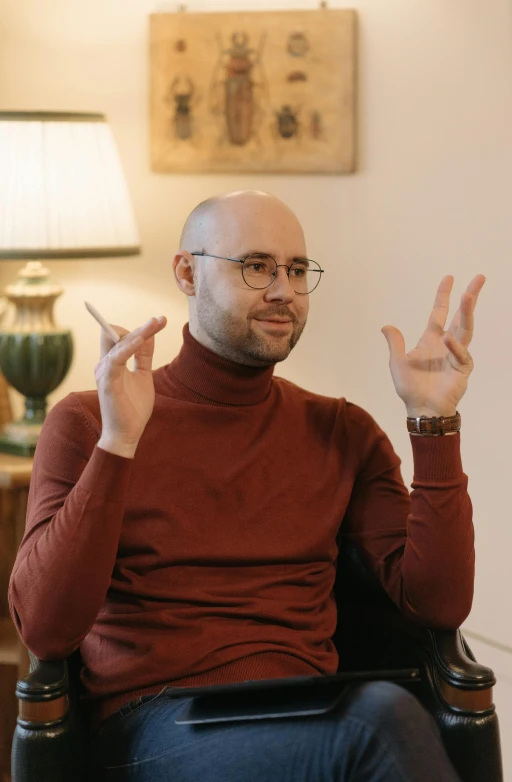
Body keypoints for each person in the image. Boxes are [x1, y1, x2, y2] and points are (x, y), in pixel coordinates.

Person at [8, 190, 485, 781]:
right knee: (378, 722)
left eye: (296, 269)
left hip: (309, 714)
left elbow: (439, 605)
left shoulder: (341, 430)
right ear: (187, 271)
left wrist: (433, 423)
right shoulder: (88, 422)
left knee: (376, 721)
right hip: (158, 727)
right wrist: (118, 445)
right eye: (256, 266)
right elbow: (46, 631)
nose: (283, 289)